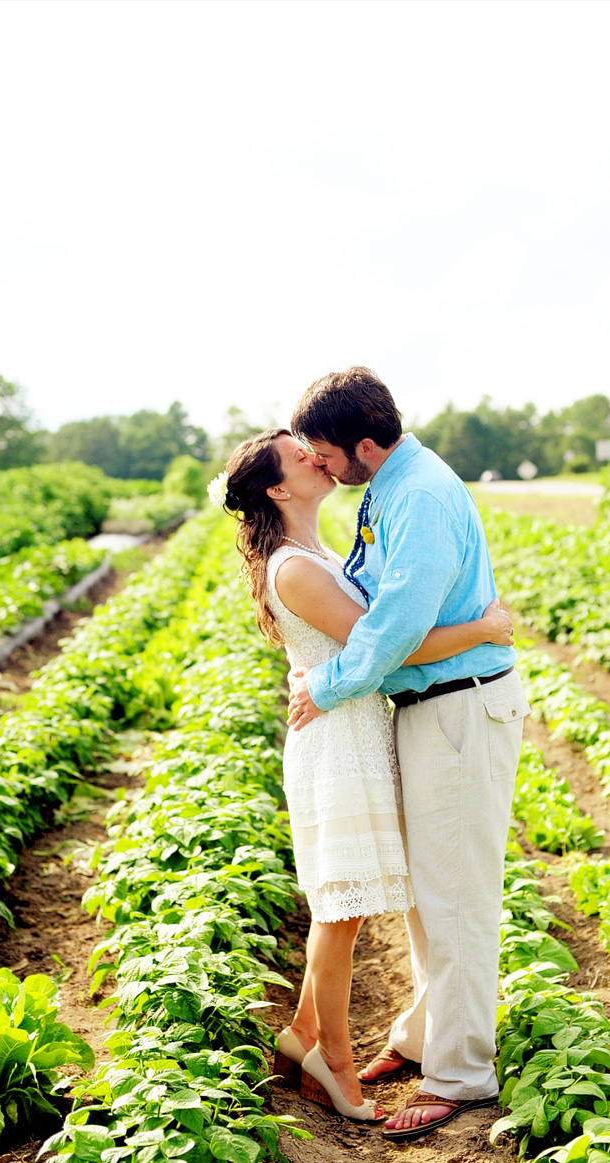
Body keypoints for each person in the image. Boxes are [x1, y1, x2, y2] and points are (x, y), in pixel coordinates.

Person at [216, 427, 515, 1125]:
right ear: (278, 488)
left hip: (354, 730)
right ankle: (334, 1061)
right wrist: (485, 628)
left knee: (346, 903)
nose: (315, 459)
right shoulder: (297, 565)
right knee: (341, 908)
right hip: (338, 742)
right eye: (299, 456)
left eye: (315, 446)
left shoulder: (318, 548)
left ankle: (304, 1034)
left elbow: (376, 635)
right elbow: (388, 644)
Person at [286, 367, 529, 1142]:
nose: (320, 466)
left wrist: (328, 687)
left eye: (325, 453)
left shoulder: (418, 496)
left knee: (456, 897)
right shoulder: (387, 491)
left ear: (363, 443)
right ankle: (425, 1038)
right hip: (432, 708)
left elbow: (391, 624)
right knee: (432, 891)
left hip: (459, 707)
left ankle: (460, 1075)